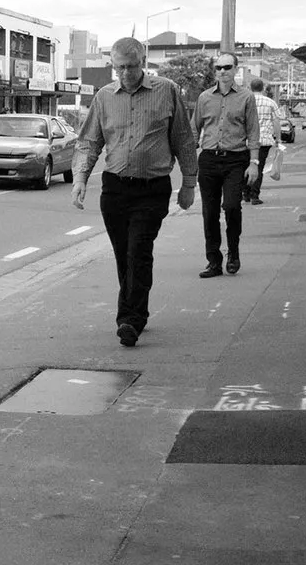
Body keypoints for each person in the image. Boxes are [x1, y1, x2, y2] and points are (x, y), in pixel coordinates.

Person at [72, 38, 197, 347]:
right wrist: (80, 179)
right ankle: (137, 308)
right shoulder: (103, 97)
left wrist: (190, 184)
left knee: (138, 250)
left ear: (143, 62)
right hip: (115, 188)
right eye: (119, 68)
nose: (125, 73)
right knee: (124, 255)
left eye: (131, 66)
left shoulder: (166, 90)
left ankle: (130, 319)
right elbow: (89, 141)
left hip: (152, 188)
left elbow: (183, 137)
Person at [192, 52, 259, 277]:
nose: (222, 71)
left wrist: (254, 163)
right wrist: (188, 158)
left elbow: (253, 131)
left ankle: (234, 251)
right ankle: (213, 260)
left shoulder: (246, 97)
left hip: (235, 159)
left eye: (227, 67)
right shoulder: (204, 98)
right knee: (209, 212)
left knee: (231, 206)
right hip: (209, 159)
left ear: (236, 69)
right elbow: (195, 128)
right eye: (219, 68)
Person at [245, 77, 282, 205]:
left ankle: (245, 193)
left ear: (250, 88)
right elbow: (277, 121)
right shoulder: (270, 102)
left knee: (245, 166)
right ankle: (255, 196)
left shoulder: (245, 101)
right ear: (263, 89)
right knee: (258, 168)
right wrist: (278, 139)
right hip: (264, 140)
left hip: (247, 141)